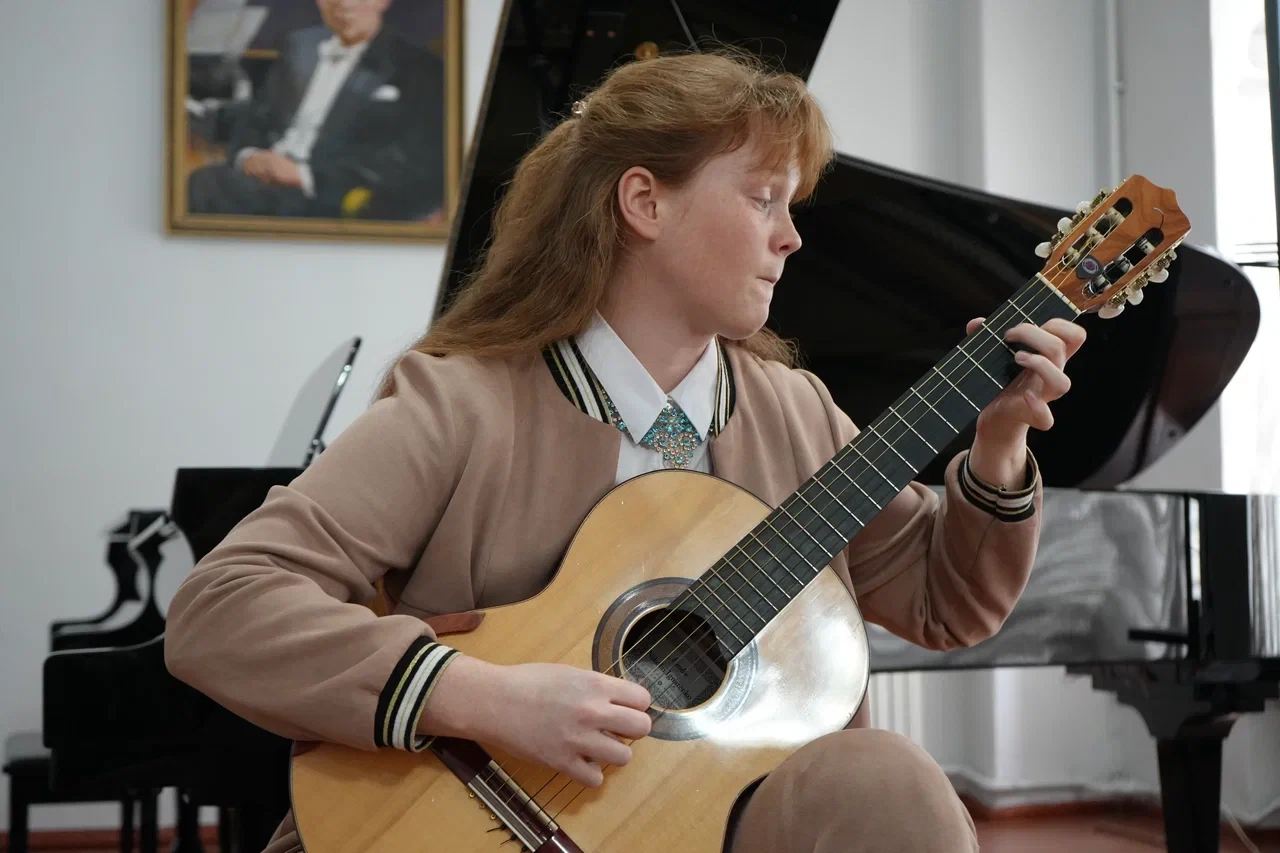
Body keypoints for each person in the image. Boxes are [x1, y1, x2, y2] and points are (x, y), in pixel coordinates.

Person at [165, 48, 1085, 853]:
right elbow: (224, 604)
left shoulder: (796, 412)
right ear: (645, 201)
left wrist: (998, 444)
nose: (792, 235)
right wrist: (481, 696)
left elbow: (945, 601)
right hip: (469, 817)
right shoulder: (464, 400)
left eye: (791, 204)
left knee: (889, 780)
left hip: (728, 822)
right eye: (762, 197)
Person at [187, 0, 444, 221]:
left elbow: (410, 161)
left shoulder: (418, 67)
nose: (344, 5)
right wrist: (249, 154)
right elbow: (261, 115)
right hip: (265, 176)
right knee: (201, 182)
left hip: (333, 196)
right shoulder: (300, 45)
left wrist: (303, 176)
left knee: (205, 187)